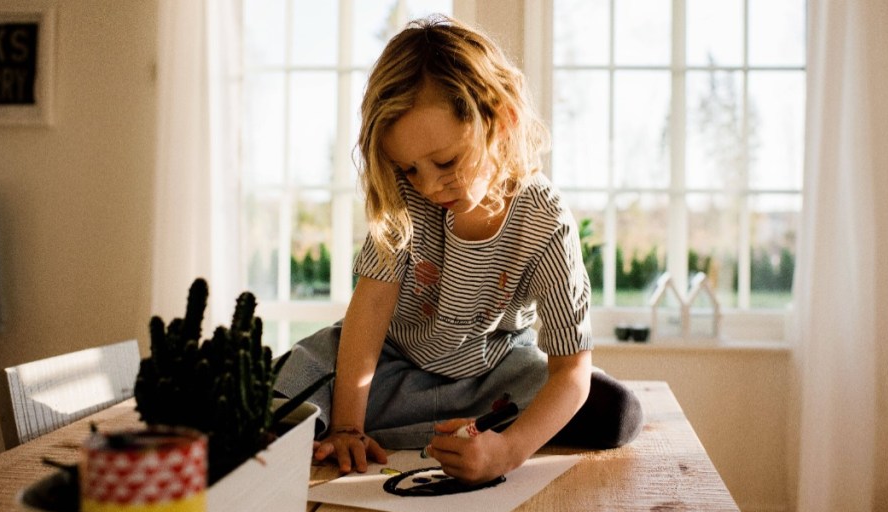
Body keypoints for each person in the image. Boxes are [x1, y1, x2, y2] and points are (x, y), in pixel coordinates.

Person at [274, 14, 642, 485]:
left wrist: (507, 451)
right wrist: (347, 425)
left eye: (446, 162)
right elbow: (369, 313)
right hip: (391, 361)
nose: (428, 186)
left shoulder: (545, 222)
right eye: (410, 170)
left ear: (502, 120)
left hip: (491, 373)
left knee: (616, 414)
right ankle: (382, 421)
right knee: (267, 398)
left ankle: (438, 425)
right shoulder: (406, 201)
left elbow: (571, 370)